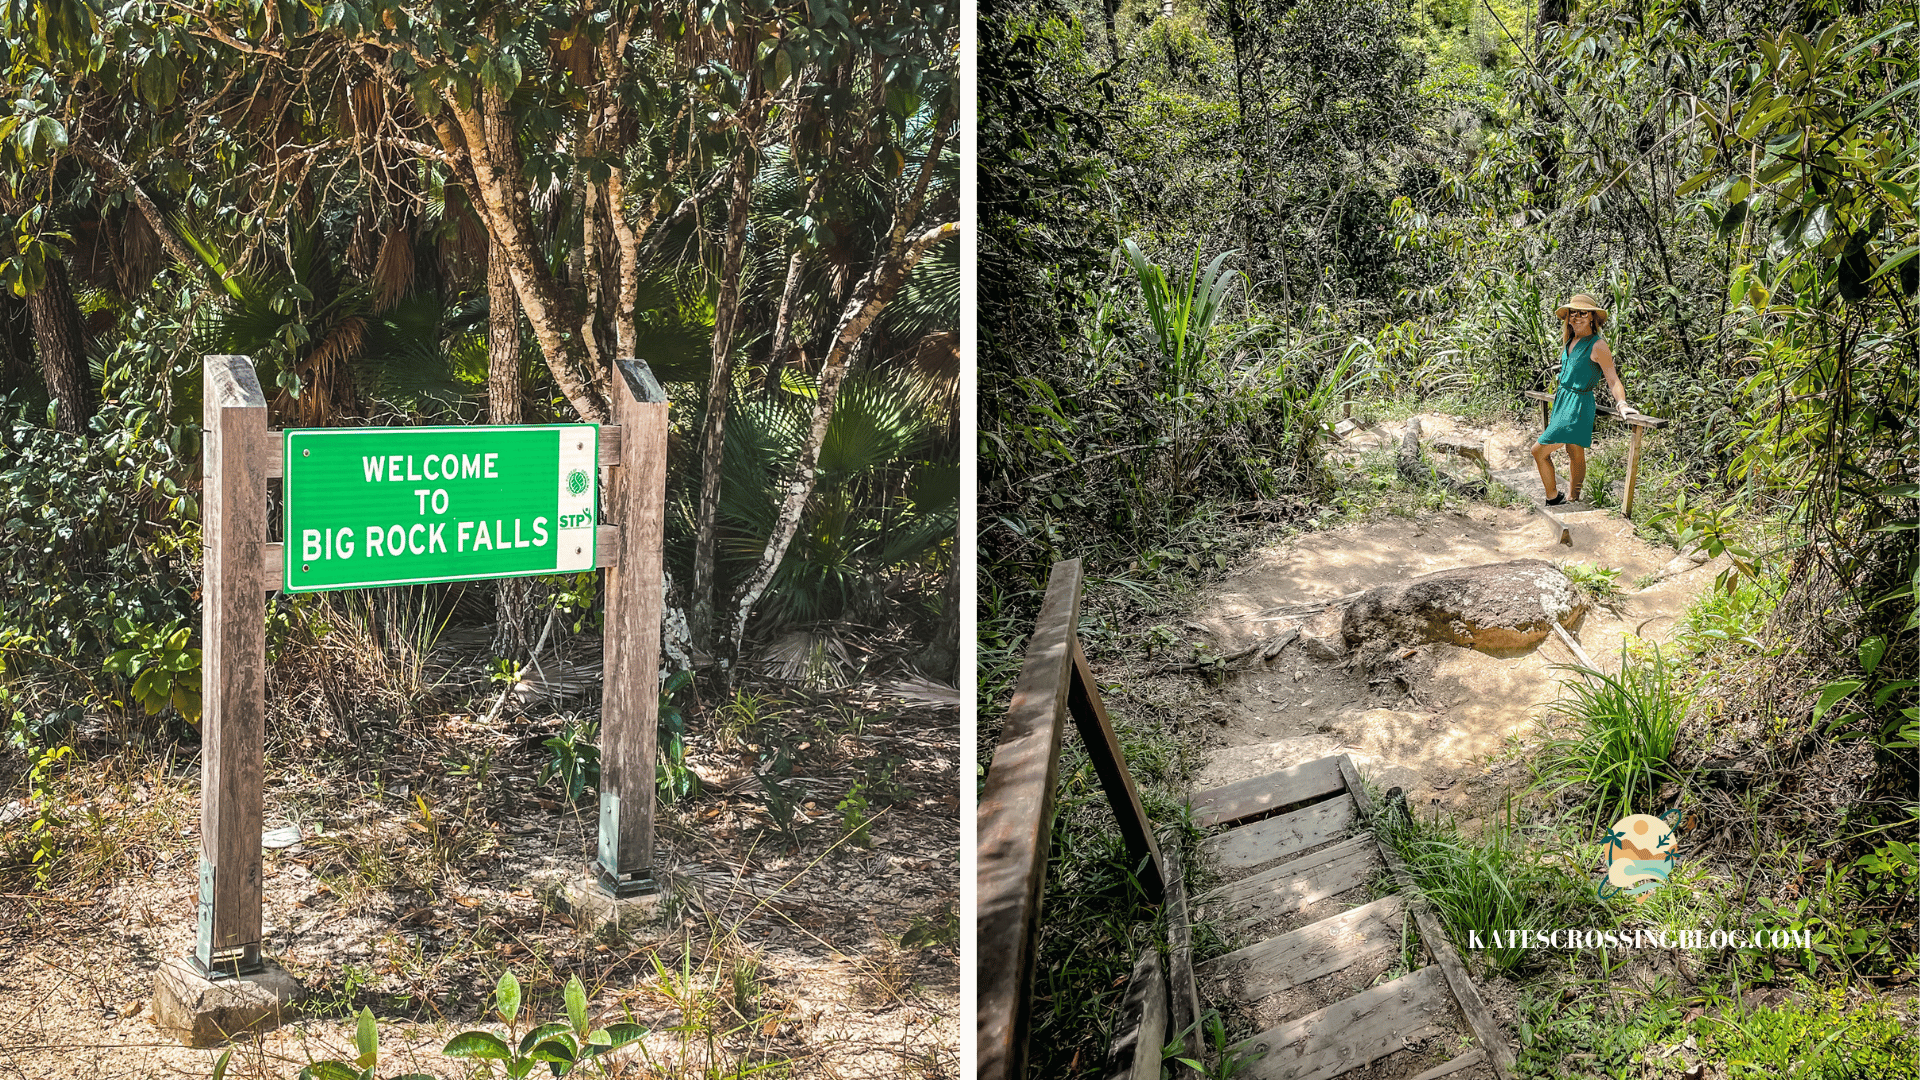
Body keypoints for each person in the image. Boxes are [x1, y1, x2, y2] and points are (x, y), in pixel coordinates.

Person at [1532, 294, 1639, 506]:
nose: (1577, 317)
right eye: (1573, 312)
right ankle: (1573, 498)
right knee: (1573, 450)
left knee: (1538, 450)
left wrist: (1622, 404)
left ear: (1592, 317)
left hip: (1578, 404)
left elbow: (1612, 378)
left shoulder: (1597, 345)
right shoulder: (1570, 341)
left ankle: (1553, 498)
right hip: (1563, 400)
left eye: (1583, 313)